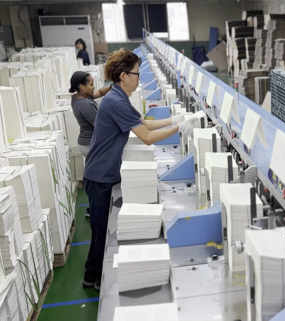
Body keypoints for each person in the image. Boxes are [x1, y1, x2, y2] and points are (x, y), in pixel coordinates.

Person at [81, 48, 199, 291]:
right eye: (136, 73)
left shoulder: (119, 97)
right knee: (100, 233)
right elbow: (146, 136)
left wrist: (176, 120)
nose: (139, 77)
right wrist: (179, 130)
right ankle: (92, 277)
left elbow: (144, 122)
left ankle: (91, 274)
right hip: (99, 175)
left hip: (103, 172)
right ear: (124, 75)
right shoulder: (115, 101)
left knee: (101, 230)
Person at [69, 71, 112, 218]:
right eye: (91, 84)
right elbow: (100, 126)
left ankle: (93, 207)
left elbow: (99, 93)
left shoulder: (77, 98)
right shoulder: (85, 105)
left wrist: (113, 88)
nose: (94, 87)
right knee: (99, 179)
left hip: (86, 143)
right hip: (90, 145)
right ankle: (94, 209)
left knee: (94, 176)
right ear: (82, 86)